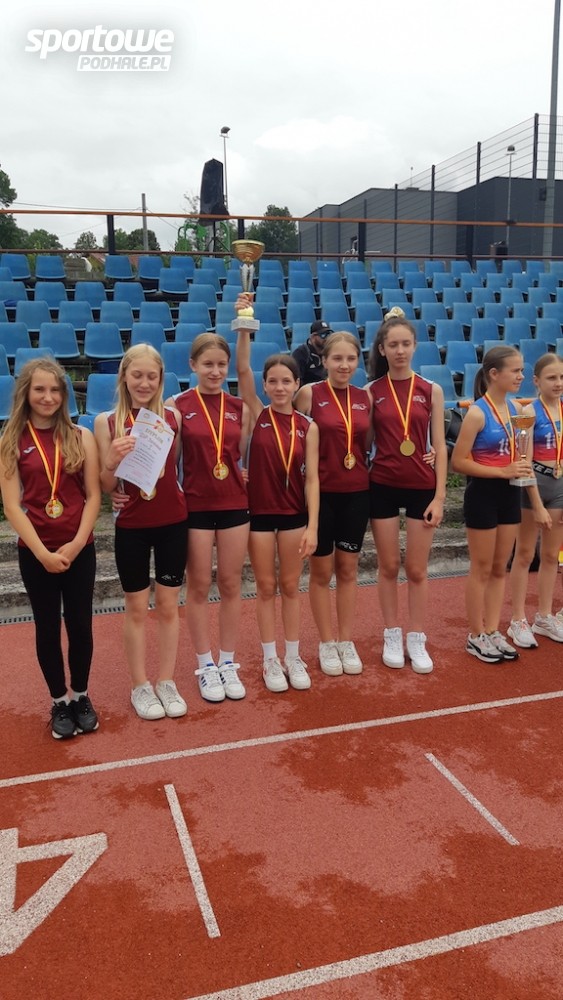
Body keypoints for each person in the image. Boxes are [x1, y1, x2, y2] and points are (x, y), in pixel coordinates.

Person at [0, 358, 100, 739]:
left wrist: (76, 544)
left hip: (79, 548)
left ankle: (81, 696)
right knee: (46, 626)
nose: (48, 397)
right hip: (36, 552)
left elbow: (93, 496)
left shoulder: (80, 436)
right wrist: (42, 553)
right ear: (26, 393)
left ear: (64, 394)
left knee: (80, 624)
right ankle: (59, 701)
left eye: (55, 389)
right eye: (39, 389)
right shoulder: (11, 441)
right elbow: (12, 506)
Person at [95, 345, 189, 721]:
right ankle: (139, 685)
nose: (145, 383)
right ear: (124, 377)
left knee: (168, 606)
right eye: (137, 375)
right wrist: (111, 463)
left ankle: (166, 680)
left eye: (152, 376)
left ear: (161, 378)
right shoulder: (106, 421)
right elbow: (106, 485)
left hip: (173, 522)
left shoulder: (172, 416)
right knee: (135, 608)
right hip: (132, 526)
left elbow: (177, 468)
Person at [235, 305, 320, 692]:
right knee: (266, 587)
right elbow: (242, 371)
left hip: (293, 516)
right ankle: (270, 659)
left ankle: (293, 656)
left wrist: (313, 526)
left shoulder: (308, 426)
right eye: (273, 381)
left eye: (287, 381)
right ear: (266, 386)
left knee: (290, 587)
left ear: (297, 384)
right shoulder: (257, 413)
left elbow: (313, 480)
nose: (280, 387)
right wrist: (244, 325)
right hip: (258, 515)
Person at [166, 333, 250, 703]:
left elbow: (240, 455)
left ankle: (228, 661)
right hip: (195, 506)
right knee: (199, 586)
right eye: (207, 364)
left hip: (234, 504)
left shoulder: (239, 407)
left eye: (221, 364)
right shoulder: (176, 406)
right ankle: (205, 664)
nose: (215, 371)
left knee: (231, 584)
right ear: (193, 365)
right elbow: (167, 462)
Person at [366, 314, 447, 674]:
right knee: (388, 566)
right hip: (382, 484)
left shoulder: (431, 390)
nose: (400, 350)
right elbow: (364, 442)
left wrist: (440, 497)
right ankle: (391, 633)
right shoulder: (371, 391)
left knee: (416, 569)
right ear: (382, 349)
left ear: (415, 346)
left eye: (405, 344)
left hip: (421, 487)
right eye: (393, 345)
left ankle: (416, 636)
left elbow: (439, 446)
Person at [451, 345, 534, 663]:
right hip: (483, 494)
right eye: (516, 370)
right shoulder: (476, 412)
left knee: (501, 567)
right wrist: (502, 471)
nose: (521, 376)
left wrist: (519, 467)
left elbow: (519, 453)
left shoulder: (518, 410)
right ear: (494, 374)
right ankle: (475, 635)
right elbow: (459, 462)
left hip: (510, 493)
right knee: (482, 568)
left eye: (522, 370)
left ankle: (492, 629)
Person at [294, 331, 370, 676]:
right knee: (322, 572)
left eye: (350, 359)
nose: (344, 365)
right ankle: (326, 642)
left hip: (357, 493)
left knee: (349, 570)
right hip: (320, 495)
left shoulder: (364, 398)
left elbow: (371, 442)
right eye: (337, 358)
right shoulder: (309, 394)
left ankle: (345, 639)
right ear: (324, 361)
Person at [509, 353, 563, 646]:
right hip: (532, 487)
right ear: (537, 381)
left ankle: (544, 616)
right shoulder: (527, 412)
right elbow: (523, 460)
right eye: (551, 378)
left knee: (552, 556)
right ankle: (517, 619)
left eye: (562, 377)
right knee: (525, 554)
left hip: (560, 485)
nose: (558, 383)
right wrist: (538, 503)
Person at [291, 320, 333, 386]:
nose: (327, 338)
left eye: (328, 334)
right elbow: (296, 380)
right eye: (323, 335)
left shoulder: (329, 352)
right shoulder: (301, 353)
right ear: (313, 337)